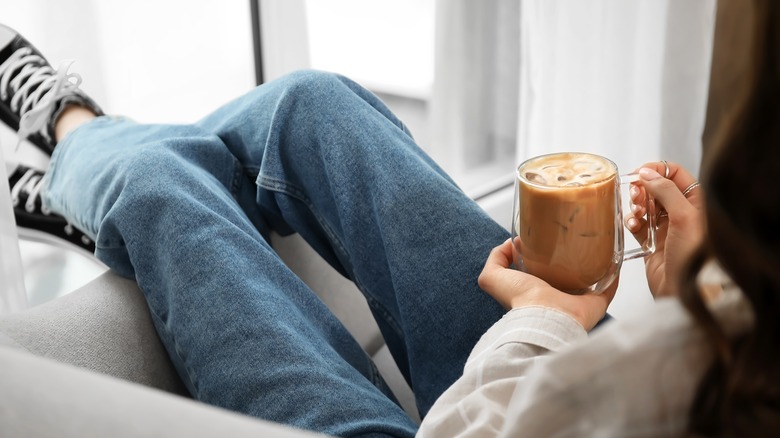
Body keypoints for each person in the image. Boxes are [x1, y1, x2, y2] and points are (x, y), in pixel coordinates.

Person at [2, 0, 778, 434]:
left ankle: (72, 127)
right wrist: (707, 301)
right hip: (631, 370)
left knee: (159, 188)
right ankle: (97, 196)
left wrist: (546, 322)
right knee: (310, 104)